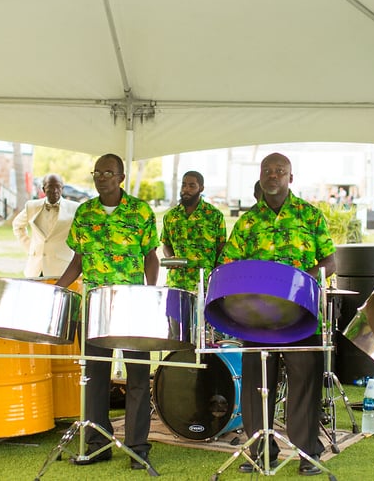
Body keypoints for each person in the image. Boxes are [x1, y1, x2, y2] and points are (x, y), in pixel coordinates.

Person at [221, 152, 336, 477]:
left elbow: (330, 261)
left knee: (304, 383)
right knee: (258, 385)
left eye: (280, 171)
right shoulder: (247, 222)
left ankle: (306, 453)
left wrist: (304, 280)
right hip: (257, 317)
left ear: (290, 177)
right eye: (267, 171)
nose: (273, 176)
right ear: (260, 176)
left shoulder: (310, 216)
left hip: (300, 313)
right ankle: (261, 452)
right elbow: (230, 265)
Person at [55, 153, 158, 470]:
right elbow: (78, 261)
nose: (102, 177)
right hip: (94, 306)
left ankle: (137, 446)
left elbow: (150, 256)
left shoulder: (141, 211)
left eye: (108, 172)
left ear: (121, 177)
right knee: (94, 378)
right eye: (97, 172)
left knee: (138, 377)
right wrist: (56, 289)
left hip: (130, 305)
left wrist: (150, 294)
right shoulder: (85, 213)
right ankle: (98, 443)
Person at [161, 170, 226, 292]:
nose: (186, 189)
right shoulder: (171, 216)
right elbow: (166, 244)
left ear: (201, 188)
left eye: (192, 186)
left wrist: (216, 278)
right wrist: (170, 258)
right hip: (176, 282)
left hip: (204, 284)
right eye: (184, 185)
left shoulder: (214, 215)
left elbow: (221, 248)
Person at [12, 173, 79, 277]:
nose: (55, 190)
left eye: (58, 187)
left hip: (61, 269)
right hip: (35, 269)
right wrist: (30, 247)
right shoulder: (32, 206)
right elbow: (17, 225)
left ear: (62, 188)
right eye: (50, 187)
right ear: (43, 189)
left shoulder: (75, 208)